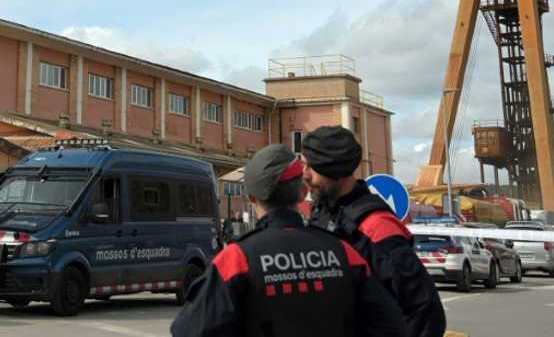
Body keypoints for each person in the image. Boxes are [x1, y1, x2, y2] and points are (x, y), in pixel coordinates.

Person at [171, 144, 406, 337]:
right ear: (303, 192)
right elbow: (390, 325)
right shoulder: (343, 251)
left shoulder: (237, 259)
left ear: (251, 197)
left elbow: (188, 331)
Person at [303, 126, 445, 337]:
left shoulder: (376, 227)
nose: (305, 175)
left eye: (311, 167)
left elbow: (424, 310)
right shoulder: (322, 214)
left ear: (334, 170)